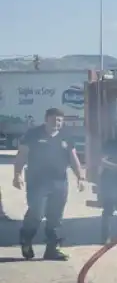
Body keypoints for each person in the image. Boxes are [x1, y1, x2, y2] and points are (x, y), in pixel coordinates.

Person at [13, 107, 85, 260]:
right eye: (54, 119)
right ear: (46, 119)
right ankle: (26, 239)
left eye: (59, 120)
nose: (56, 123)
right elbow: (22, 155)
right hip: (37, 182)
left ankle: (52, 249)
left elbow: (73, 158)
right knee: (37, 213)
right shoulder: (33, 134)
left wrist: (80, 177)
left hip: (60, 182)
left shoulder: (66, 136)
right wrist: (17, 174)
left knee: (55, 216)